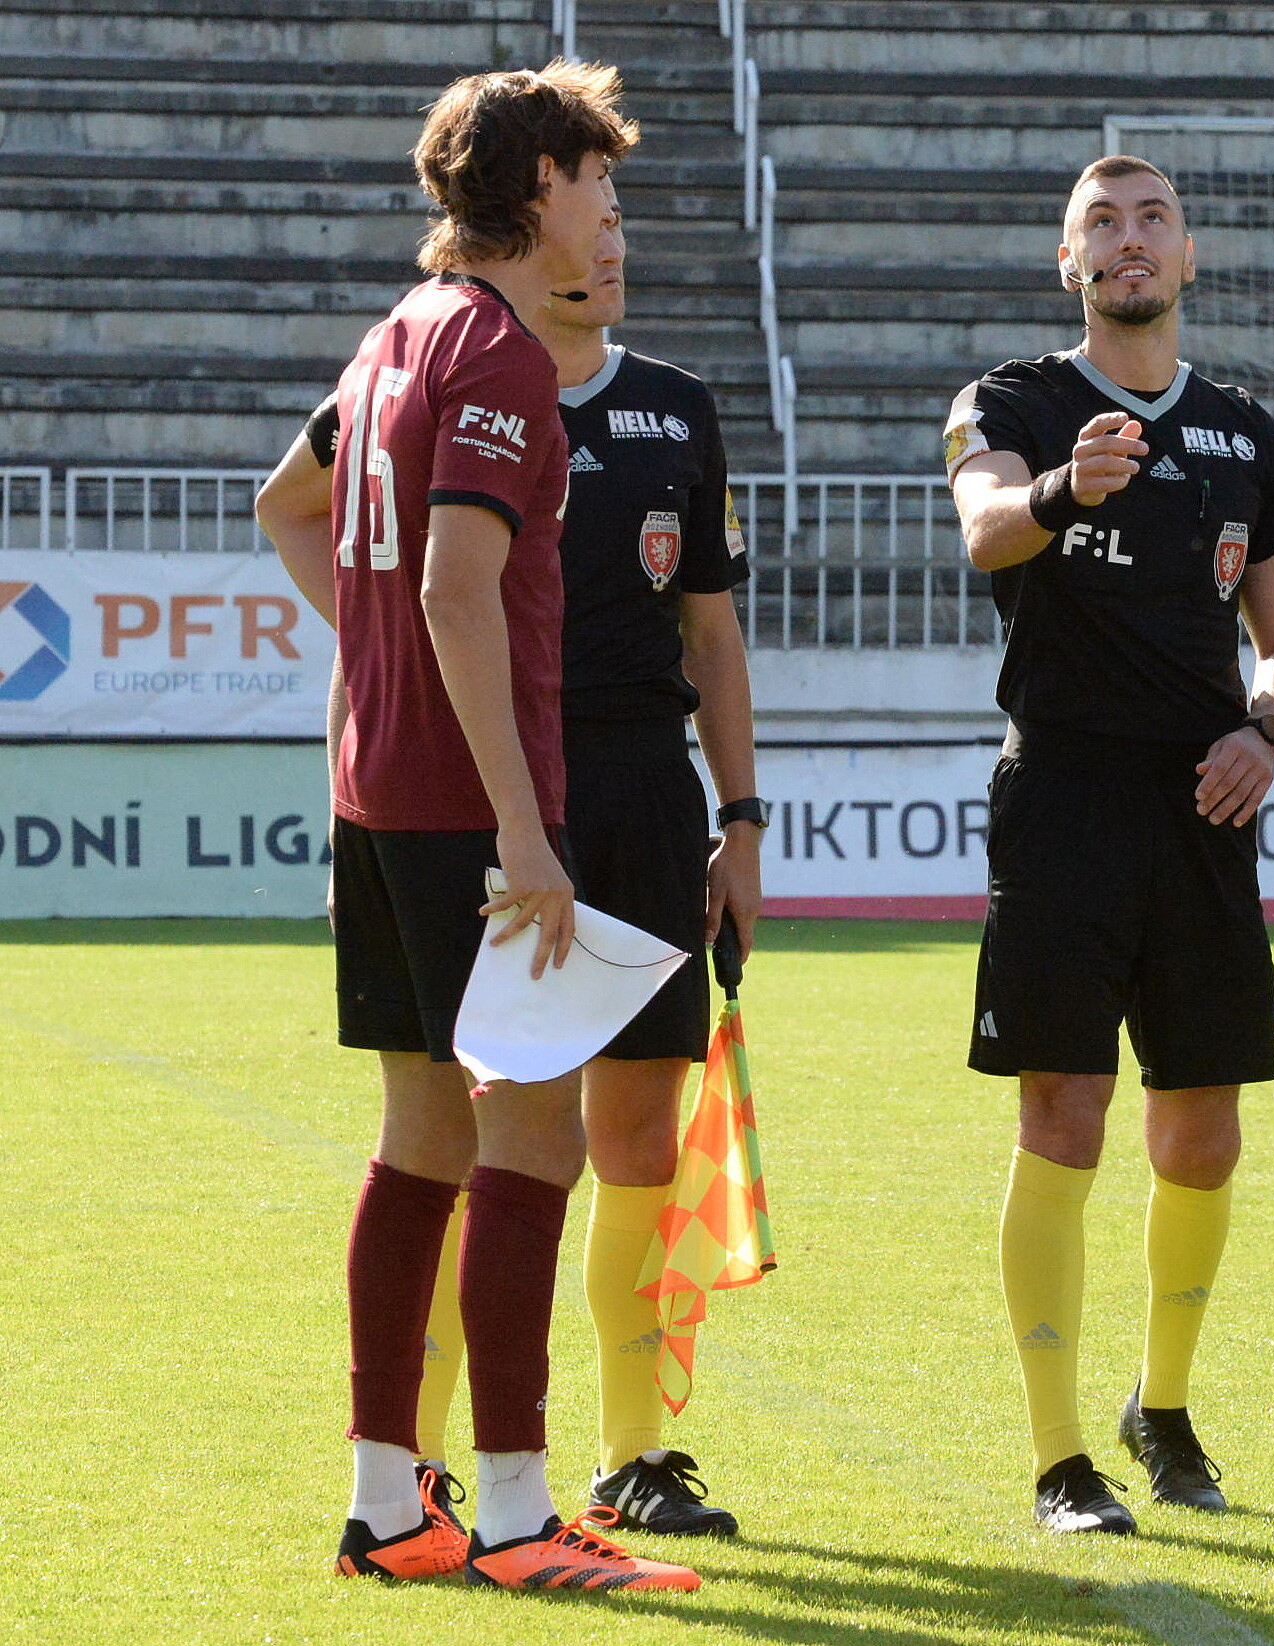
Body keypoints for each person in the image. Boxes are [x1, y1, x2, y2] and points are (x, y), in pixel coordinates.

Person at [256, 61, 697, 1591]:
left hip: (376, 789)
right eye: (599, 181)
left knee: (420, 1138)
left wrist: (375, 670)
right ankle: (513, 1513)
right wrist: (524, 825)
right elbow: (454, 586)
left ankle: (388, 1504)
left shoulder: (394, 336)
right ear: (538, 189)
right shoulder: (500, 355)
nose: (611, 208)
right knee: (531, 1135)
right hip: (462, 804)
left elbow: (284, 507)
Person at [940, 154, 1274, 1535]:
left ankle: (1160, 1404)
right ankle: (1058, 1459)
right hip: (1063, 795)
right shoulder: (1011, 402)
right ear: (1070, 264)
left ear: (1187, 255)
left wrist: (1264, 729)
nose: (1129, 239)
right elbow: (984, 528)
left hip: (1202, 809)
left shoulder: (1246, 437)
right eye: (1099, 222)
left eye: (1153, 218)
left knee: (1202, 1133)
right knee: (1063, 1114)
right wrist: (1058, 493)